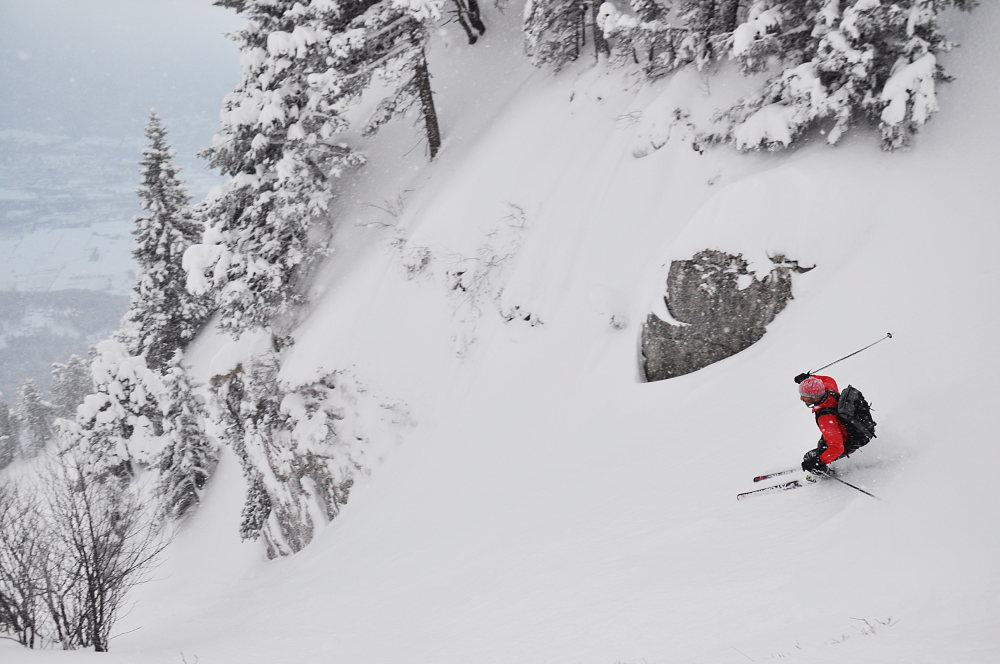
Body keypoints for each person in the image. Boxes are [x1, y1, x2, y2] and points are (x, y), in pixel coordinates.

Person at [794, 373, 847, 474]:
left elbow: (837, 448)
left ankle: (825, 474)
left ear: (814, 397)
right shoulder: (829, 389)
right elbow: (828, 378)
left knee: (809, 458)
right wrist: (809, 379)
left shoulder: (825, 418)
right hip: (842, 428)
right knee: (822, 444)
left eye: (804, 396)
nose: (801, 399)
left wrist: (818, 461)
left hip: (846, 440)